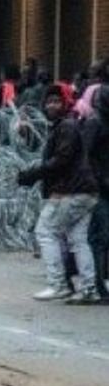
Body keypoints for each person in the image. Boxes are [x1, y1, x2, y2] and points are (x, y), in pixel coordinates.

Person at [18, 84, 99, 303]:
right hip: (84, 190)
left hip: (70, 191)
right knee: (78, 240)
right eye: (49, 102)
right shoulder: (64, 126)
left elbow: (61, 160)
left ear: (66, 104)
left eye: (57, 101)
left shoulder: (67, 127)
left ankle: (58, 284)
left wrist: (34, 174)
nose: (52, 106)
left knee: (45, 231)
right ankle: (89, 288)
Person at [83, 84, 109, 302]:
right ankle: (98, 284)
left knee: (101, 238)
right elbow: (87, 156)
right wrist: (97, 180)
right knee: (99, 237)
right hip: (99, 188)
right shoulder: (95, 123)